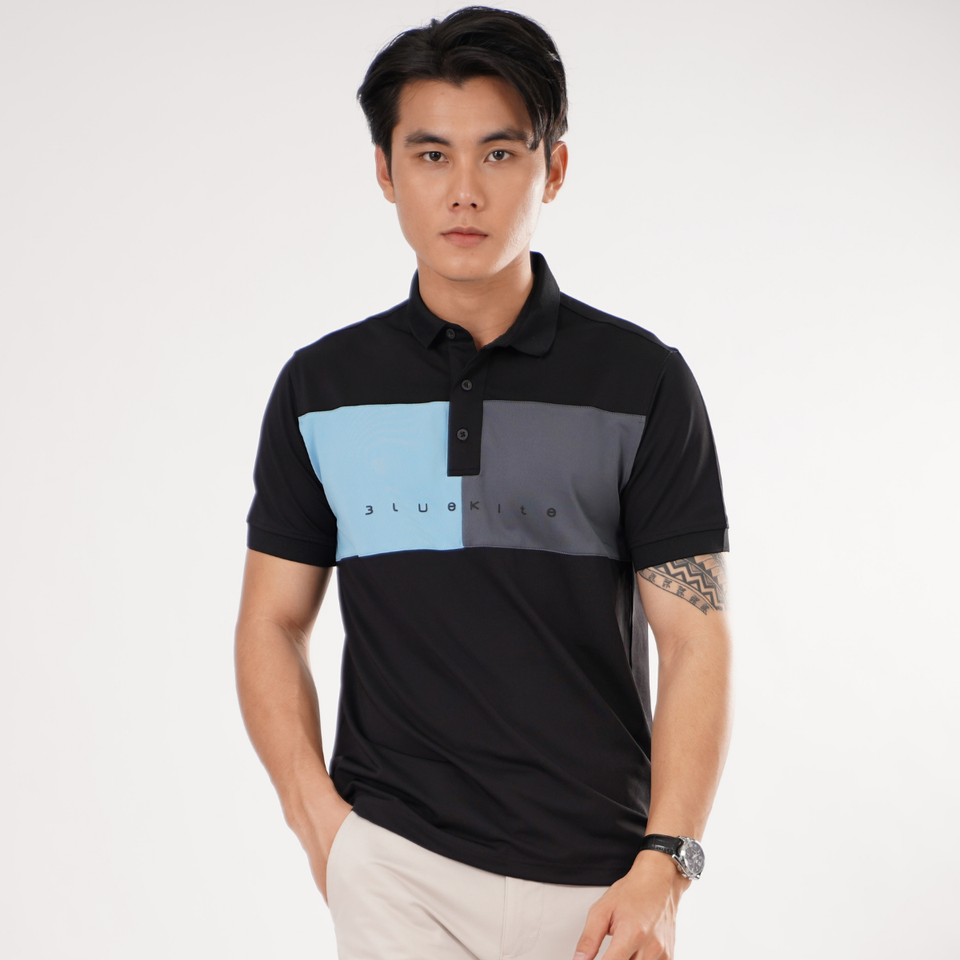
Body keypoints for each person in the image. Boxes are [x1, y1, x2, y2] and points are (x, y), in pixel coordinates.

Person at [235, 7, 732, 959]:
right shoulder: (321, 388)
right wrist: (320, 824)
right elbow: (271, 619)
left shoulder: (642, 382)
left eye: (500, 154)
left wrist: (666, 864)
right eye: (431, 156)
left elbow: (694, 636)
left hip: (601, 879)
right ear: (385, 172)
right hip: (396, 863)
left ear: (554, 168)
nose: (464, 191)